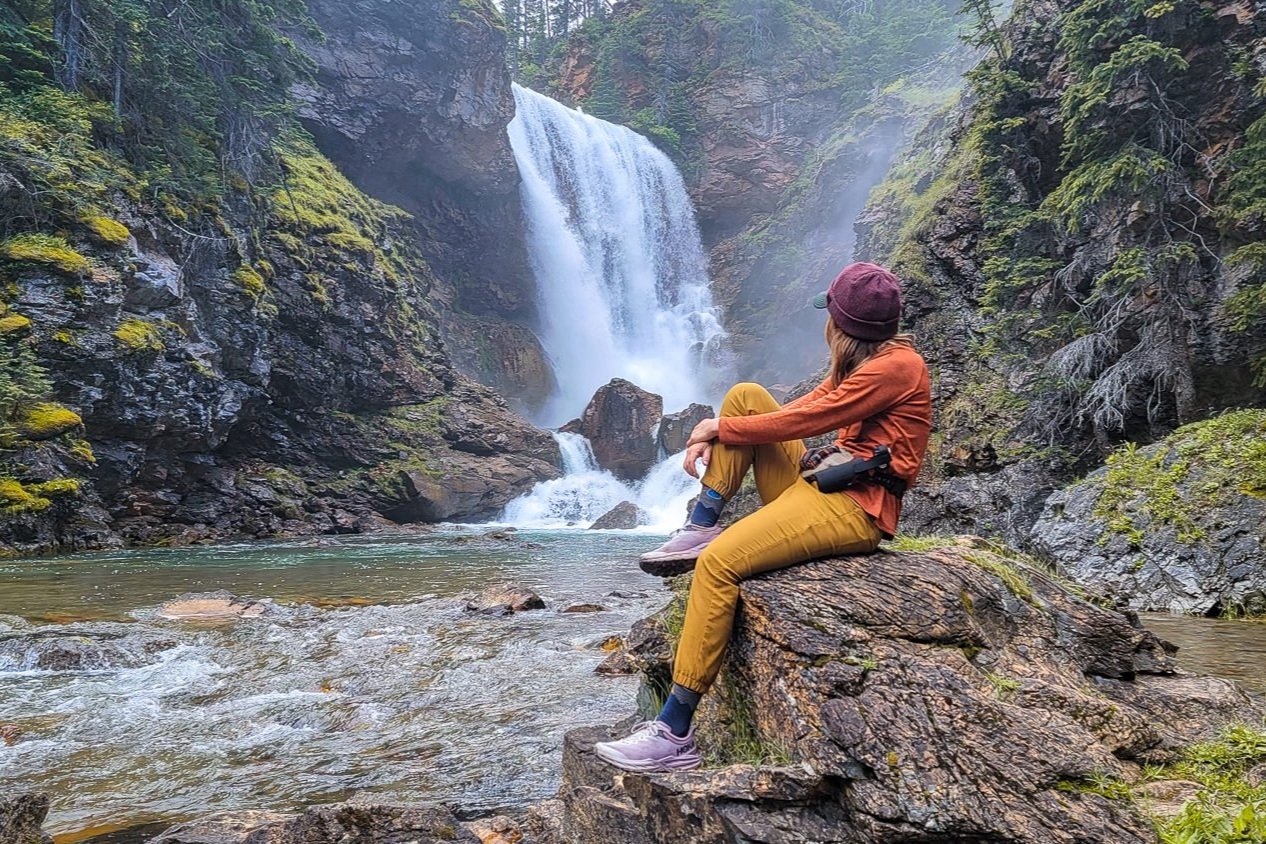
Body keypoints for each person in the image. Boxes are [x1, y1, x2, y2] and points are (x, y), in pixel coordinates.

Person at [593, 261, 932, 773]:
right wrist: (722, 425)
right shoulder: (870, 360)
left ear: (840, 324)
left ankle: (673, 732)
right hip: (822, 483)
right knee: (746, 398)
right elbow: (814, 403)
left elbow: (814, 418)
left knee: (718, 566)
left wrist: (713, 429)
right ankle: (703, 521)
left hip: (854, 508)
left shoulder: (896, 368)